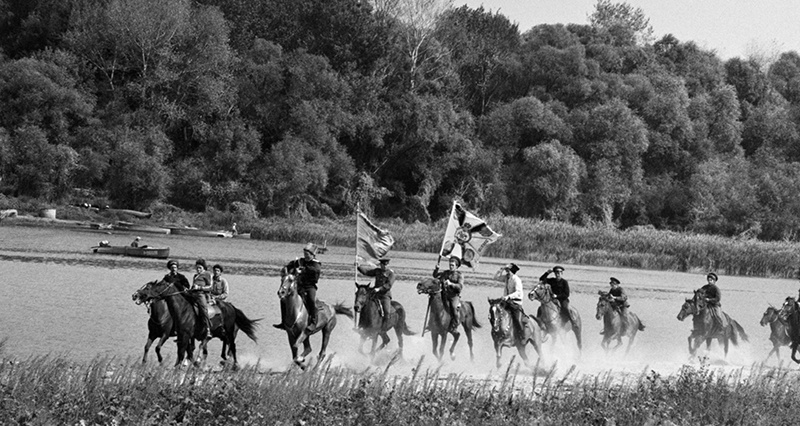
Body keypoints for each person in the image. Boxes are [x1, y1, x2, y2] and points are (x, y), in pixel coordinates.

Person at [279, 243, 322, 332]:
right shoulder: (300, 261)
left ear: (312, 255)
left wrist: (303, 270)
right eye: (305, 254)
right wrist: (286, 268)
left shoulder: (316, 264)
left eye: (307, 254)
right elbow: (291, 265)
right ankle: (283, 322)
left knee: (311, 299)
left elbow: (314, 271)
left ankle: (313, 322)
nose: (305, 256)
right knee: (283, 299)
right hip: (299, 286)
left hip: (309, 287)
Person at [494, 263, 529, 340]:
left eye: (508, 270)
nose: (507, 272)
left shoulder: (516, 279)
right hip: (507, 302)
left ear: (512, 271)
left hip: (515, 303)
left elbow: (518, 292)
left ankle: (521, 335)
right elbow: (496, 278)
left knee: (516, 319)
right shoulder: (507, 278)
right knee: (496, 311)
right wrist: (500, 270)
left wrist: (508, 296)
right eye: (506, 271)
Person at [357, 257, 396, 323]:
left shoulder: (391, 274)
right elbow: (367, 272)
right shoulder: (377, 271)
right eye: (383, 265)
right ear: (381, 265)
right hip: (375, 293)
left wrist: (379, 289)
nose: (385, 266)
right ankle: (361, 324)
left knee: (386, 311)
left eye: (386, 265)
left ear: (388, 265)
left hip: (385, 295)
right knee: (364, 305)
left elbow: (388, 285)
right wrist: (358, 267)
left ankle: (384, 327)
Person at [432, 256, 464, 332]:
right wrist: (436, 269)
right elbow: (435, 276)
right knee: (435, 304)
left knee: (453, 307)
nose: (451, 267)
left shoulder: (460, 275)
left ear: (456, 266)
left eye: (452, 265)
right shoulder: (446, 273)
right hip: (444, 295)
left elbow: (460, 287)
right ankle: (432, 323)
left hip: (454, 296)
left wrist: (451, 284)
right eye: (450, 265)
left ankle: (455, 324)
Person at [191, 259, 214, 339]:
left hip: (201, 295)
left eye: (200, 268)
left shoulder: (207, 274)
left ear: (203, 268)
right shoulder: (195, 276)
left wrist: (199, 287)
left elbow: (210, 287)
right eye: (197, 268)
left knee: (203, 310)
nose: (198, 269)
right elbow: (193, 286)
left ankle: (208, 329)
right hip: (193, 294)